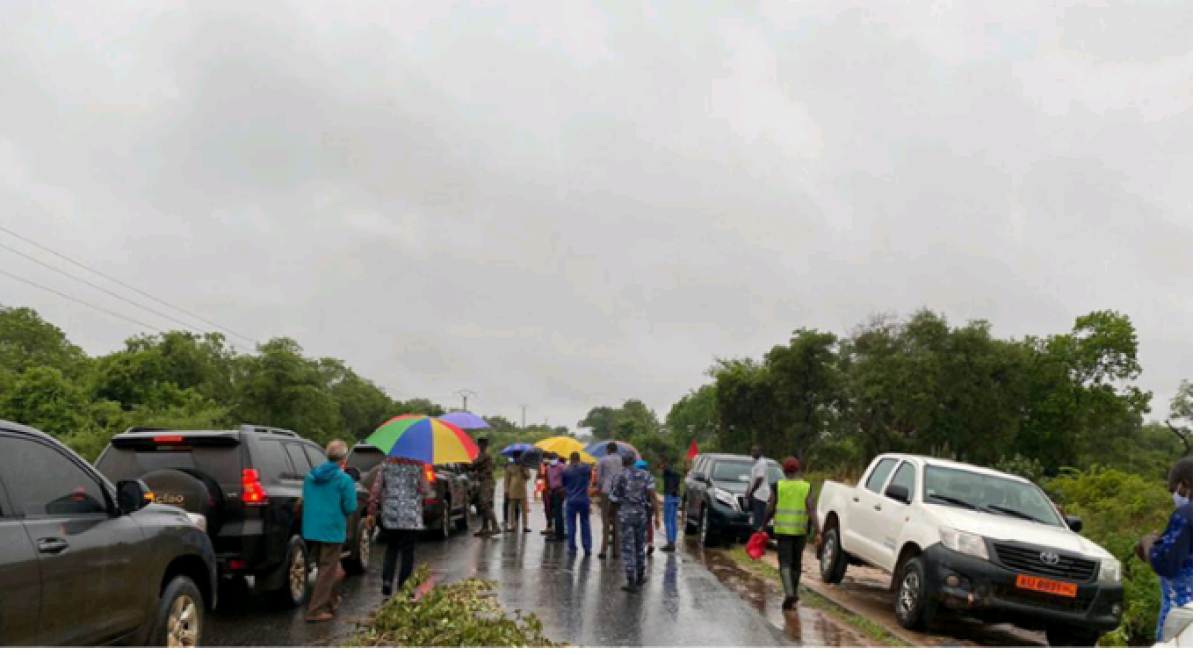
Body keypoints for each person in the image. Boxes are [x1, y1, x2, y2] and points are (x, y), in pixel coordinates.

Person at [1136, 457, 1192, 642]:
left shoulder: (1187, 514)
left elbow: (1167, 563)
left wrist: (1148, 544)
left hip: (1184, 615)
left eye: (1173, 489)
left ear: (1186, 484)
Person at [301, 440, 357, 622]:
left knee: (324, 565)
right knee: (327, 569)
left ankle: (332, 601)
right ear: (343, 459)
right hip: (332, 529)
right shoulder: (344, 480)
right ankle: (315, 610)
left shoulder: (311, 476)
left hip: (311, 528)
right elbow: (350, 507)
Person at [758, 456, 820, 611]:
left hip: (783, 531)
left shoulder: (778, 486)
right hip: (800, 531)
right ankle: (793, 594)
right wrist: (819, 531)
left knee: (784, 562)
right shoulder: (806, 486)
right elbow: (811, 509)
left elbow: (771, 507)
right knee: (796, 562)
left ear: (784, 471)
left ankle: (789, 592)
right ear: (798, 470)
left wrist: (763, 525)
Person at [368, 456, 430, 597]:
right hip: (411, 516)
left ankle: (387, 580)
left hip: (391, 514)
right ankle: (404, 585)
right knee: (408, 552)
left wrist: (372, 509)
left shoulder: (387, 464)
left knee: (392, 548)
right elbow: (425, 489)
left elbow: (376, 489)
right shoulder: (418, 465)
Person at [610, 451, 656, 591]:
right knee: (639, 545)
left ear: (623, 461)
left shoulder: (619, 476)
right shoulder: (646, 475)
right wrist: (653, 513)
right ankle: (641, 575)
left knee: (628, 547)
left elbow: (614, 498)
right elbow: (652, 495)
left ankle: (631, 580)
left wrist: (611, 515)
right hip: (641, 513)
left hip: (626, 514)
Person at [593, 442, 624, 560]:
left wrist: (599, 489)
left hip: (606, 491)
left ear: (608, 450)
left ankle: (604, 550)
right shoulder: (622, 460)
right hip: (619, 493)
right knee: (617, 521)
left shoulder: (603, 460)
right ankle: (616, 551)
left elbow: (599, 478)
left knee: (605, 521)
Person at [562, 451, 593, 555]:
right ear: (579, 459)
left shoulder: (566, 471)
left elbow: (564, 485)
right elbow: (589, 477)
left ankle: (572, 548)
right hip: (584, 499)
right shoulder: (585, 468)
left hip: (571, 500)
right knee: (585, 523)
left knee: (571, 524)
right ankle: (587, 547)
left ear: (571, 459)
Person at [468, 436, 500, 537]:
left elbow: (473, 466)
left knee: (485, 504)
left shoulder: (485, 456)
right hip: (483, 481)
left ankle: (495, 526)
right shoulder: (482, 455)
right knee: (481, 504)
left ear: (483, 445)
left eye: (480, 444)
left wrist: (462, 462)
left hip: (487, 482)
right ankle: (485, 527)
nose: (479, 446)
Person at [636, 460, 660, 555]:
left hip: (635, 507)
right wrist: (657, 515)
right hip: (647, 505)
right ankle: (650, 542)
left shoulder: (631, 477)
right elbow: (653, 496)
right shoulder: (649, 477)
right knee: (649, 523)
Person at [746, 444, 769, 533]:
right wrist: (748, 491)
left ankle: (758, 535)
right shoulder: (756, 463)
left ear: (760, 452)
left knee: (758, 518)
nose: (753, 453)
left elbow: (759, 479)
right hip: (756, 494)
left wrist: (751, 492)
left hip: (760, 494)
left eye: (755, 451)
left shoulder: (762, 463)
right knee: (755, 517)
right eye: (752, 451)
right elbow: (752, 479)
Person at [660, 458, 681, 552]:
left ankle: (670, 543)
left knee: (667, 520)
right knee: (673, 520)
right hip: (676, 496)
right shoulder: (676, 473)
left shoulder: (667, 472)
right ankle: (673, 541)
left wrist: (664, 467)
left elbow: (666, 469)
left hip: (669, 496)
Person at [505, 456, 531, 532]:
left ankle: (525, 526)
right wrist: (506, 490)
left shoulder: (525, 466)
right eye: (516, 456)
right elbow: (507, 480)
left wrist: (523, 469)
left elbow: (528, 476)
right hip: (512, 490)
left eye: (518, 456)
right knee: (511, 509)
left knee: (524, 510)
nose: (517, 459)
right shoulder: (509, 467)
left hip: (522, 490)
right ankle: (512, 525)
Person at [544, 454, 567, 542]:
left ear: (557, 459)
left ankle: (559, 535)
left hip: (560, 491)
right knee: (554, 512)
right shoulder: (549, 468)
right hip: (552, 491)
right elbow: (549, 480)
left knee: (558, 513)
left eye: (553, 458)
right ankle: (557, 533)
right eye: (550, 459)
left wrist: (564, 488)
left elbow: (566, 478)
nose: (552, 460)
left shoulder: (562, 467)